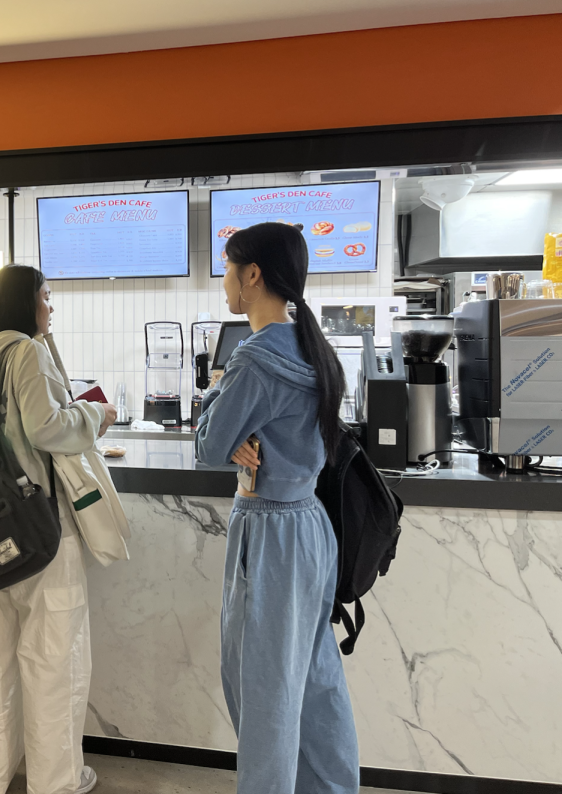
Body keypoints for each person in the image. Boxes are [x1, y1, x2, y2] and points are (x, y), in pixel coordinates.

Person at [195, 222, 359, 794]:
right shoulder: (314, 349)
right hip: (311, 531)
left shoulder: (255, 358)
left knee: (262, 691)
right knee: (314, 681)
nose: (224, 282)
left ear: (252, 275)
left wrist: (218, 391)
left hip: (266, 534)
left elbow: (209, 446)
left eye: (227, 269)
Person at [0, 264, 117, 794]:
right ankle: (56, 781)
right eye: (46, 297)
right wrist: (98, 416)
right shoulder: (27, 350)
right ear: (27, 303)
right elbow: (48, 428)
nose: (51, 307)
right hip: (41, 527)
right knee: (54, 661)